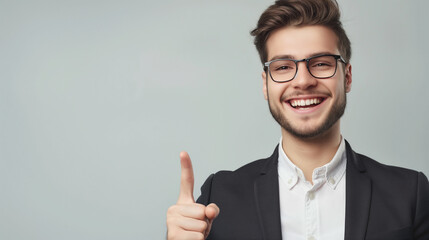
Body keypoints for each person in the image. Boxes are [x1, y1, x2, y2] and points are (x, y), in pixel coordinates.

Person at [166, 0, 429, 239]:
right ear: (266, 85)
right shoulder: (219, 197)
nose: (303, 81)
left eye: (322, 63)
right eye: (283, 67)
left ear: (347, 77)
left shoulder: (410, 194)